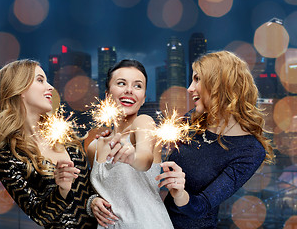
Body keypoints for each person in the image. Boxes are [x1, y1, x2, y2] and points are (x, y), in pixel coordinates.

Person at [155, 50, 275, 228]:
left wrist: (179, 192)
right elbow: (157, 150)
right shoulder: (193, 120)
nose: (189, 88)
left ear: (220, 84)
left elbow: (200, 207)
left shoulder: (251, 151)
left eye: (197, 79)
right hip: (159, 223)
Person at [0, 59, 97, 228]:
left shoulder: (66, 138)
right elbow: (40, 216)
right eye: (40, 80)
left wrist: (94, 200)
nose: (50, 87)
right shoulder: (7, 158)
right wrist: (62, 190)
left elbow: (90, 191)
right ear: (19, 89)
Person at [87, 59, 174, 228]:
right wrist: (92, 201)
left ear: (143, 99)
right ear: (107, 94)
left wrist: (132, 157)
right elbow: (101, 192)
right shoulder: (94, 148)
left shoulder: (144, 123)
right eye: (121, 83)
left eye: (138, 86)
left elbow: (145, 159)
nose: (129, 90)